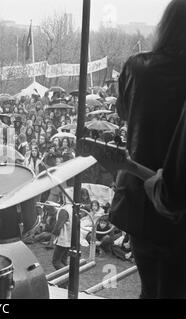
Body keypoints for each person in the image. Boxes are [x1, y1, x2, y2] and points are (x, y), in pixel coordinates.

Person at [109, 0, 186, 299]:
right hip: (180, 206)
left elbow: (125, 113)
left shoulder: (137, 67)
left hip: (139, 198)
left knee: (150, 288)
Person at [52, 204, 72, 270]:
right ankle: (68, 276)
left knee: (56, 262)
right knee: (63, 261)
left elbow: (58, 226)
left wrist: (54, 234)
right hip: (69, 238)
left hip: (63, 239)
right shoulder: (71, 207)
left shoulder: (64, 210)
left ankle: (67, 276)